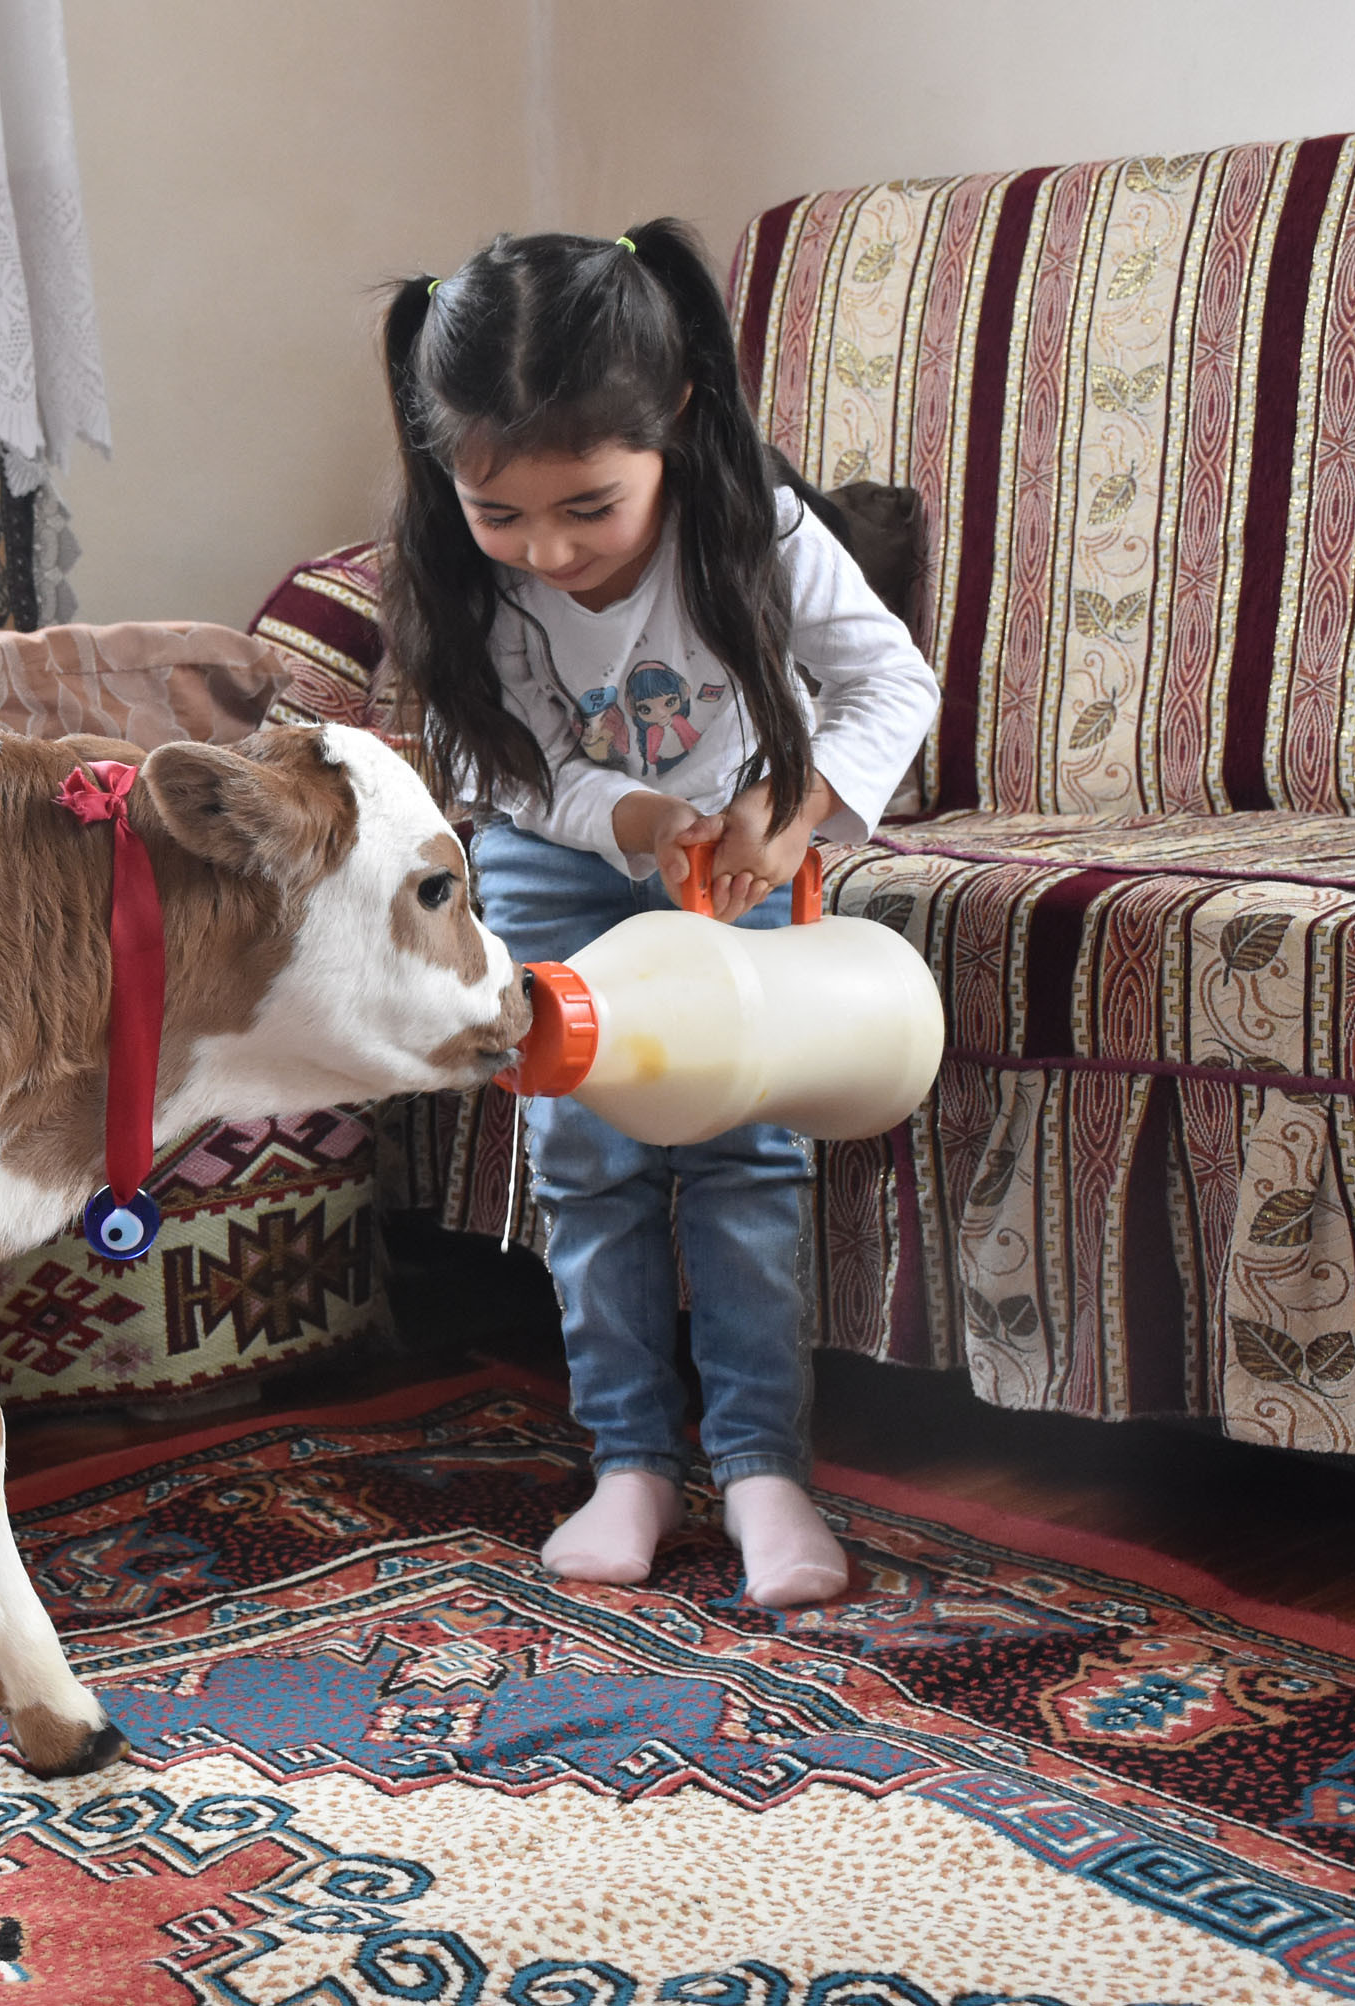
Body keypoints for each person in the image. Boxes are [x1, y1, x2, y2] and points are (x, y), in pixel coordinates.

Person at [378, 221, 940, 1608]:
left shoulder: (750, 518)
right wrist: (620, 817)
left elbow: (892, 687)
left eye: (590, 507)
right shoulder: (469, 576)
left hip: (728, 871)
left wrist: (792, 808)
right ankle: (627, 1456)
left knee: (746, 1161)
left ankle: (761, 1465)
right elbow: (495, 766)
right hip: (565, 865)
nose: (548, 549)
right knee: (589, 1162)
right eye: (500, 511)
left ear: (673, 425)